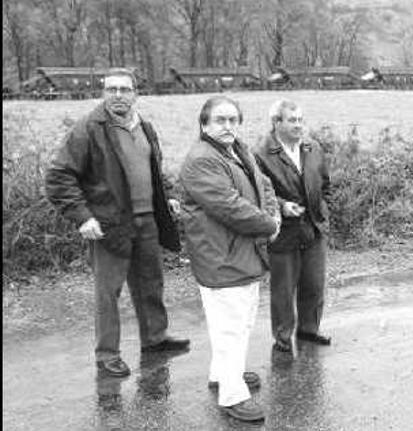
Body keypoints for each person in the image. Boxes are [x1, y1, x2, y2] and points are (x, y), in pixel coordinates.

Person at [45, 68, 190, 379]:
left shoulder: (145, 127)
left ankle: (155, 340)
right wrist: (83, 217)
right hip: (109, 224)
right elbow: (58, 177)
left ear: (135, 93)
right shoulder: (89, 128)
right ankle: (107, 356)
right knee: (107, 293)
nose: (118, 95)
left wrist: (169, 197)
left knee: (151, 284)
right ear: (103, 93)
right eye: (112, 89)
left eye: (125, 89)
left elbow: (155, 171)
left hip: (147, 221)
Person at [178, 96, 280, 422]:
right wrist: (270, 225)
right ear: (204, 124)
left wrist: (274, 215)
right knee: (231, 328)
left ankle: (223, 373)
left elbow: (264, 185)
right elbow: (229, 206)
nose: (228, 126)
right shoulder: (202, 160)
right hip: (222, 258)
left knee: (239, 322)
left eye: (233, 120)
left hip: (241, 253)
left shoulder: (237, 148)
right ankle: (232, 395)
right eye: (220, 120)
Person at [254, 100, 333, 352]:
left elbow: (326, 185)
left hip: (313, 227)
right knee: (283, 289)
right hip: (282, 231)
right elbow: (257, 194)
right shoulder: (260, 154)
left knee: (314, 283)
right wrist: (281, 206)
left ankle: (309, 330)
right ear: (276, 122)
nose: (299, 125)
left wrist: (323, 213)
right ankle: (283, 337)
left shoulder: (313, 148)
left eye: (301, 119)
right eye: (292, 120)